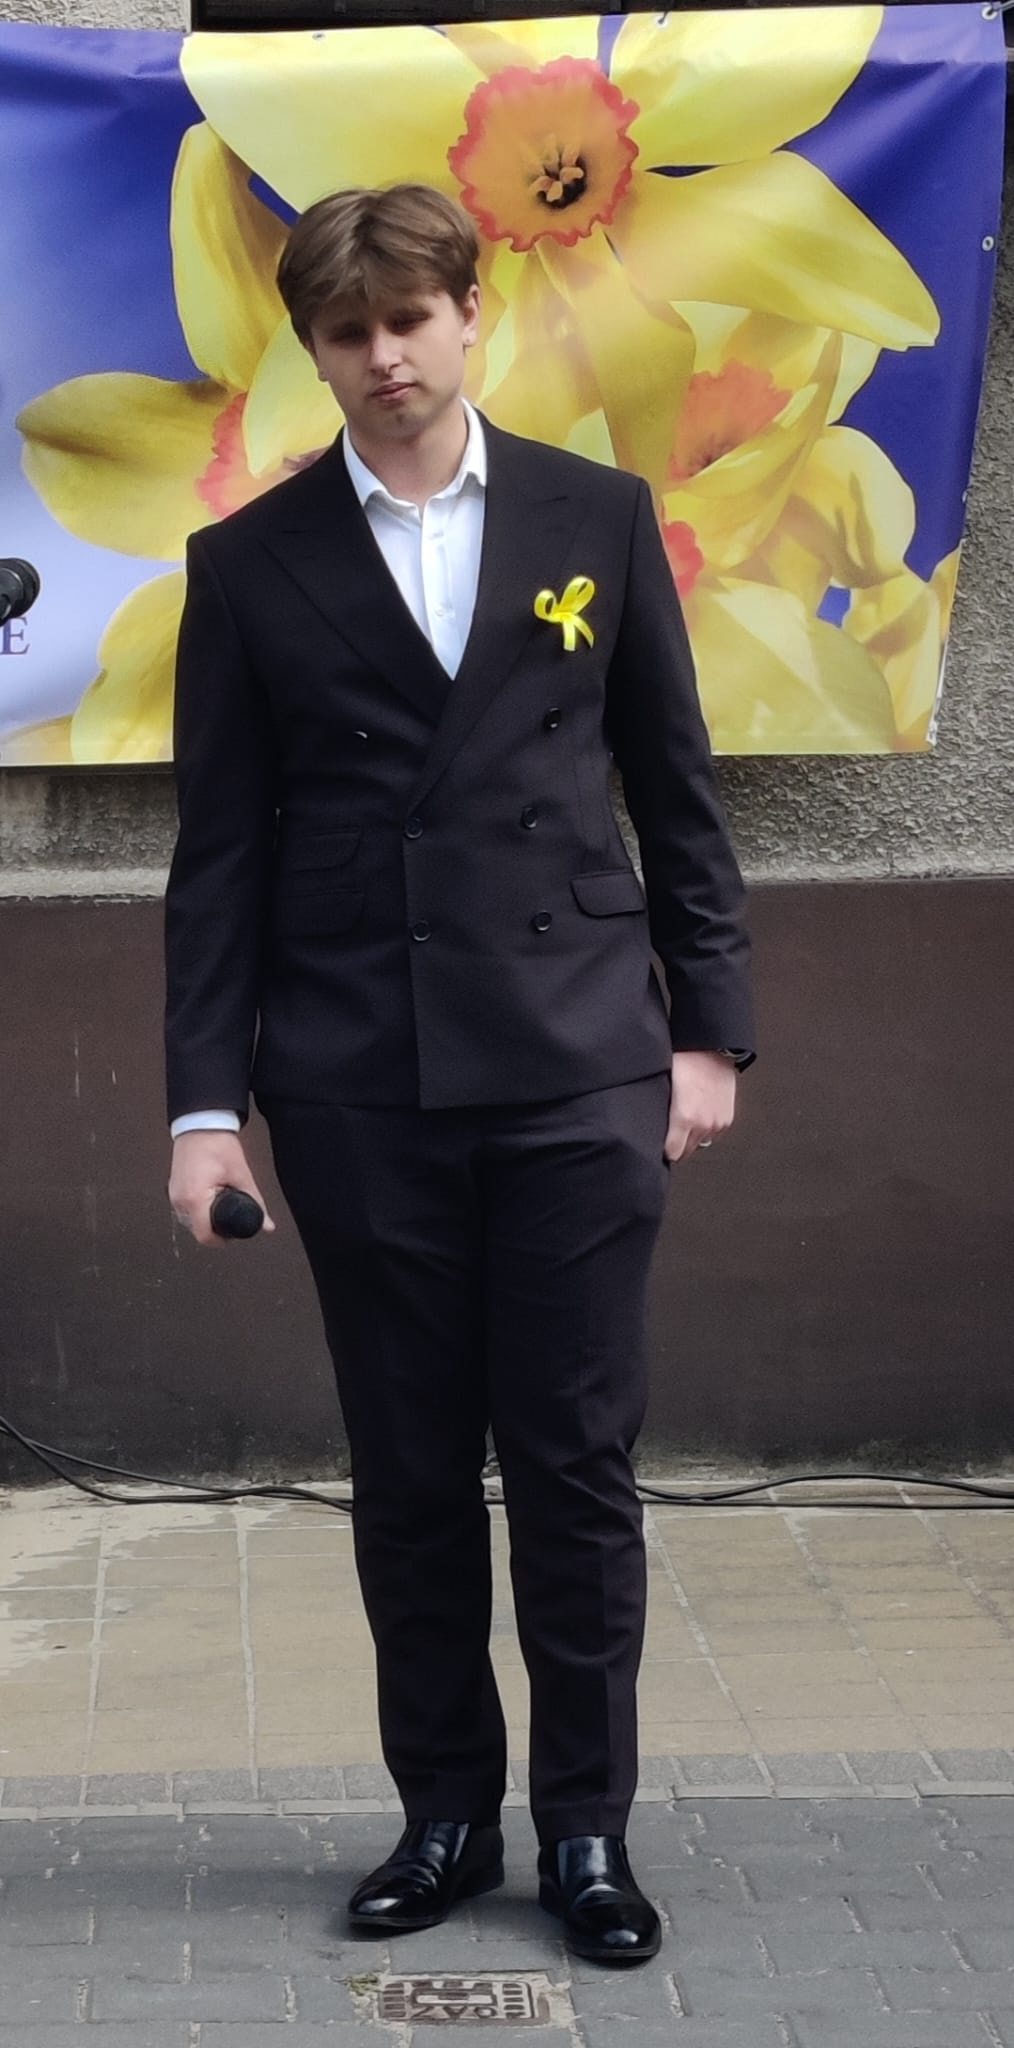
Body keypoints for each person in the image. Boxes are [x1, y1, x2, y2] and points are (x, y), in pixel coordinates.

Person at [165, 182, 754, 1967]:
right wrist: (204, 1110)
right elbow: (222, 860)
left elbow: (674, 789)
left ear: (472, 313)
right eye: (347, 332)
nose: (385, 357)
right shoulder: (248, 565)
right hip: (358, 1076)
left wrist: (708, 1030)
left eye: (410, 319)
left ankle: (584, 1831)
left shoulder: (594, 516)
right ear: (314, 348)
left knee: (572, 1465)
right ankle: (440, 1812)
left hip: (577, 1060)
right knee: (410, 1470)